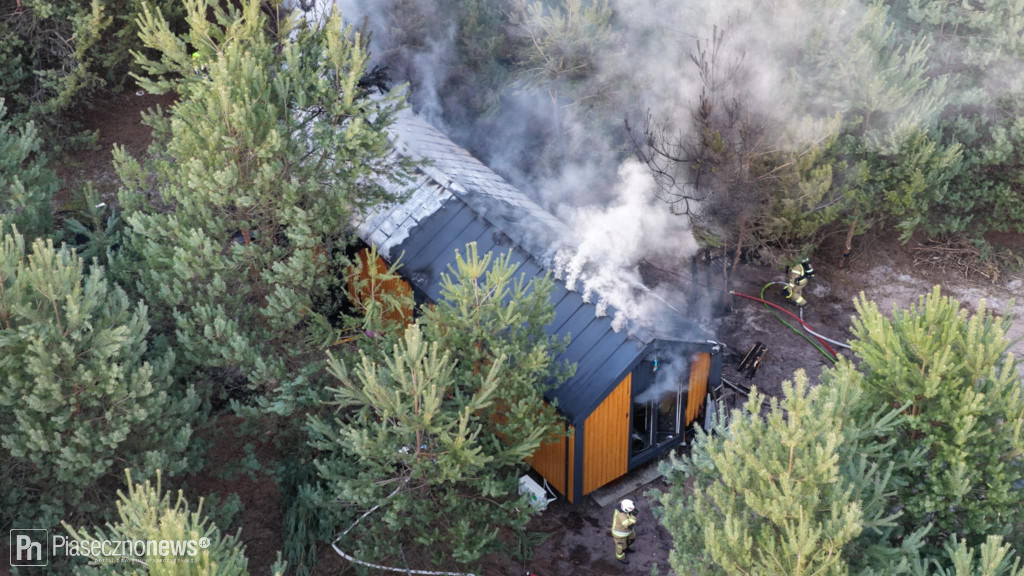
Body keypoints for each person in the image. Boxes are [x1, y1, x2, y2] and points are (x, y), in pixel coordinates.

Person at [611, 499, 637, 563]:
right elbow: (628, 525)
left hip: (627, 531)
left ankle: (628, 547)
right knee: (621, 547)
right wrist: (633, 516)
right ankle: (620, 558)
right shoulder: (621, 515)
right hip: (620, 534)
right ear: (626, 509)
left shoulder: (623, 505)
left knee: (632, 538)